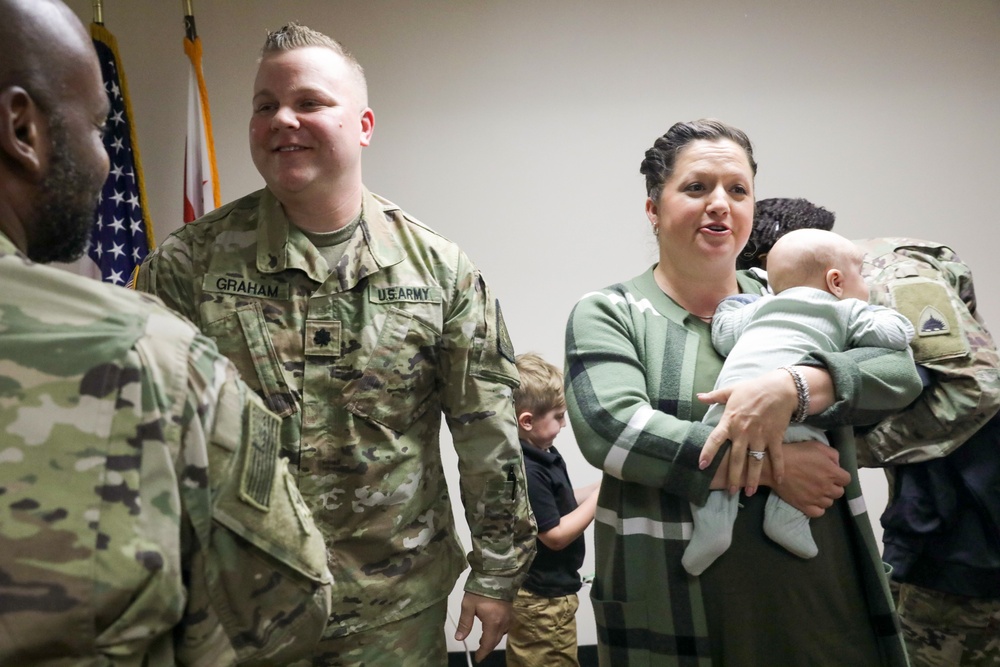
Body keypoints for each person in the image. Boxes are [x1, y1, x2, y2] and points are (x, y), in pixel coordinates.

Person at [135, 22, 536, 666]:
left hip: (393, 616)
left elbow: (486, 434)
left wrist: (496, 575)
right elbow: (148, 437)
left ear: (364, 124)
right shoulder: (188, 266)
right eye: (265, 105)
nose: (281, 119)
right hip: (239, 611)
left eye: (309, 102)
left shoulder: (437, 272)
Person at [0, 1, 334, 664]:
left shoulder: (437, 263)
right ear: (22, 129)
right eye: (98, 126)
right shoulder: (146, 350)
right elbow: (285, 602)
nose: (104, 159)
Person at [563, 118, 922, 666]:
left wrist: (795, 387)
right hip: (680, 601)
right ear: (654, 210)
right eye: (696, 187)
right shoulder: (610, 312)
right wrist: (777, 467)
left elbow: (898, 374)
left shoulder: (791, 293)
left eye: (737, 190)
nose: (719, 204)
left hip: (817, 590)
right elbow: (613, 430)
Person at [747, 197, 1000, 666]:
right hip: (935, 508)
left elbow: (977, 388)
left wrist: (851, 453)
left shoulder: (892, 280)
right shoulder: (837, 291)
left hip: (971, 524)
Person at [682, 228, 914, 576]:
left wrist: (735, 303)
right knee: (822, 456)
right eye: (862, 275)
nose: (866, 284)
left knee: (715, 466)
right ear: (836, 281)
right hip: (794, 421)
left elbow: (723, 333)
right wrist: (882, 312)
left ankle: (712, 529)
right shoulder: (846, 310)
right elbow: (896, 337)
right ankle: (787, 521)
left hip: (728, 409)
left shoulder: (760, 307)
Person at [506, 353, 600, 667]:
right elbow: (555, 535)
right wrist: (598, 502)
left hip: (542, 595)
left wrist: (603, 488)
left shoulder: (542, 452)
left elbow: (558, 501)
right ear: (527, 421)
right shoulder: (530, 469)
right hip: (543, 602)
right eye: (558, 416)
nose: (564, 423)